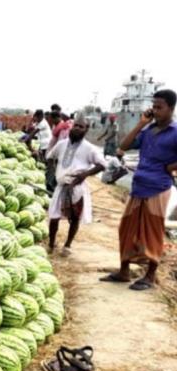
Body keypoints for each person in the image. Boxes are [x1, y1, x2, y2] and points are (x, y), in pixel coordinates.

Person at [100, 89, 177, 290]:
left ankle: (150, 276)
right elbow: (122, 147)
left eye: (160, 107)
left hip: (158, 187)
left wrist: (172, 167)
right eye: (154, 106)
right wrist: (141, 123)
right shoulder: (148, 130)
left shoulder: (175, 132)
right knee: (126, 229)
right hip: (138, 185)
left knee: (153, 231)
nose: (155, 110)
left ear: (171, 108)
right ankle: (124, 271)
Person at [46, 115, 106, 257]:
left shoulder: (89, 148)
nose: (77, 129)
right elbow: (50, 157)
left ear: (86, 129)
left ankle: (67, 245)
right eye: (76, 126)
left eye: (81, 127)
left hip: (77, 188)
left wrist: (85, 175)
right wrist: (53, 173)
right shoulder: (61, 144)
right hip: (61, 186)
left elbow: (102, 165)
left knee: (74, 218)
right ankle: (51, 244)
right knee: (53, 216)